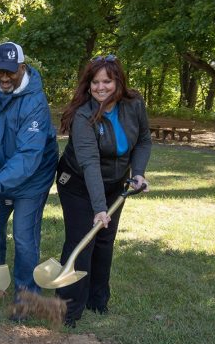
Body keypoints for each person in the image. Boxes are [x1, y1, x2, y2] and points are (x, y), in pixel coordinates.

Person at [55, 55, 151, 327]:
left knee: (105, 242)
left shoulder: (134, 105)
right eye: (95, 82)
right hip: (77, 184)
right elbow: (89, 163)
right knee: (82, 242)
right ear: (88, 85)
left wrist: (138, 173)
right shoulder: (83, 115)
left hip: (114, 184)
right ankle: (68, 309)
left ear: (117, 81)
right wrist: (99, 208)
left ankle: (98, 301)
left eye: (107, 81)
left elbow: (143, 140)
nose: (100, 87)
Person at [0, 42, 58, 316]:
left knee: (23, 236)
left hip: (32, 178)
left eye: (11, 72)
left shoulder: (36, 103)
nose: (5, 79)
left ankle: (26, 295)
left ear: (23, 68)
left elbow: (29, 155)